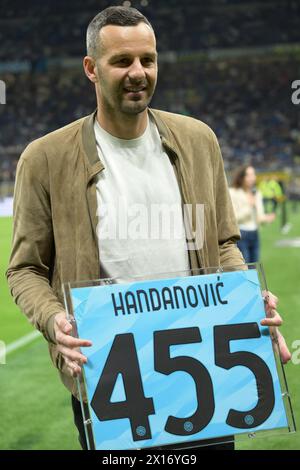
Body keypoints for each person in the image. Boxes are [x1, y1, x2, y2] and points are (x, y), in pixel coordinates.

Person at [6, 6, 291, 451]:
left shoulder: (198, 141)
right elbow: (24, 270)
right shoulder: (45, 159)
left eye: (148, 59)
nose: (138, 72)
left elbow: (221, 244)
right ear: (91, 69)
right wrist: (53, 319)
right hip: (113, 384)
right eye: (122, 61)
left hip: (205, 377)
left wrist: (245, 296)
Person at [230, 165, 275, 263]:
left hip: (255, 234)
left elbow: (259, 217)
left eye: (253, 174)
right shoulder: (233, 193)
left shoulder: (256, 193)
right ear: (241, 177)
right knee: (244, 267)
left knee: (254, 267)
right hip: (241, 234)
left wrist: (266, 218)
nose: (252, 177)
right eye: (248, 175)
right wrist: (249, 207)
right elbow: (233, 218)